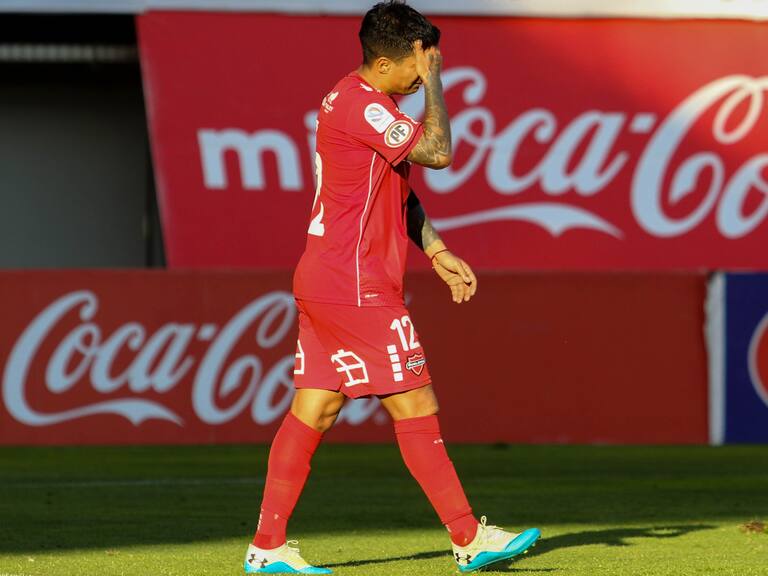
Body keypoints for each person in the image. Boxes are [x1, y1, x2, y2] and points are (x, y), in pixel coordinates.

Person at [243, 2, 540, 573]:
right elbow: (440, 153)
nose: (418, 76)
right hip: (354, 283)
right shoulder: (364, 106)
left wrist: (436, 249)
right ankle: (468, 537)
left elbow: (397, 191)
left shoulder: (356, 102)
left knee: (316, 407)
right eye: (415, 66)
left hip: (327, 275)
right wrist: (437, 85)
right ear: (385, 62)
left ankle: (268, 546)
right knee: (416, 400)